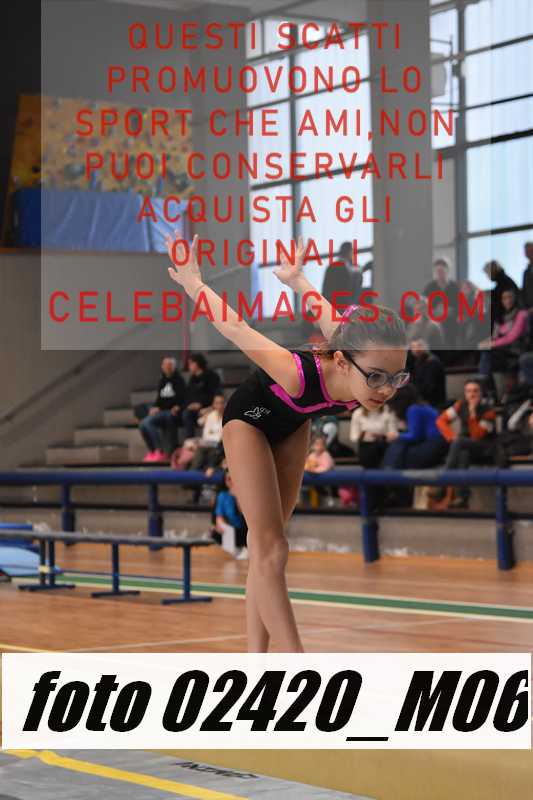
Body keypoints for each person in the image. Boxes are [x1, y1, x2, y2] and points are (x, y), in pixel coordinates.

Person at [166, 232, 409, 652]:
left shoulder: (353, 347)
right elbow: (236, 327)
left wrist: (296, 279)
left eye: (397, 378)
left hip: (294, 424)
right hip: (249, 420)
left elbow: (323, 309)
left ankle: (255, 661)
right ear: (341, 362)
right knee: (271, 547)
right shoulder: (297, 373)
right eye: (375, 377)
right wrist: (194, 285)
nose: (386, 389)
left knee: (267, 552)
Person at [432, 380, 496, 509]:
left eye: (475, 391)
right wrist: (451, 436)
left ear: (481, 393)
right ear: (465, 393)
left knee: (460, 443)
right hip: (465, 445)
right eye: (468, 391)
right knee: (463, 452)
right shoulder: (460, 405)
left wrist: (472, 415)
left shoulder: (489, 410)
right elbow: (440, 420)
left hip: (485, 446)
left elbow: (478, 436)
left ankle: (441, 483)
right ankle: (462, 497)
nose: (472, 394)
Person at [382, 385, 448, 470]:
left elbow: (414, 436)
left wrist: (396, 435)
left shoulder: (414, 409)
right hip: (440, 443)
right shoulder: (420, 405)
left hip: (435, 444)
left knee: (399, 447)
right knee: (400, 448)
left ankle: (389, 471)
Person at [138, 356, 186, 462]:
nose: (164, 366)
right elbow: (159, 399)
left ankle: (159, 451)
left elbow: (183, 398)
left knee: (149, 423)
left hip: (171, 411)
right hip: (162, 411)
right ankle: (152, 451)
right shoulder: (162, 380)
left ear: (172, 367)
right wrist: (155, 407)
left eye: (167, 364)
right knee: (142, 424)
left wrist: (178, 406)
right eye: (163, 364)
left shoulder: (179, 380)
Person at [478, 289, 530, 386]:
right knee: (484, 351)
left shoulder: (522, 314)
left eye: (509, 297)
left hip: (518, 348)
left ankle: (483, 381)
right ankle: (486, 384)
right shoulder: (502, 315)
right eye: (504, 298)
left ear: (515, 298)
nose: (507, 301)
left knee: (487, 353)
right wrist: (487, 342)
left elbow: (512, 337)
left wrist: (492, 344)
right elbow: (496, 335)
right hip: (505, 349)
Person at [182, 353, 222, 438]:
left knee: (191, 415)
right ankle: (190, 441)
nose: (189, 367)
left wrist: (201, 404)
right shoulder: (192, 379)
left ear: (196, 364)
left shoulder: (212, 376)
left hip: (210, 407)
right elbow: (188, 395)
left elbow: (215, 395)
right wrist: (190, 405)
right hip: (195, 410)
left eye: (190, 364)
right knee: (186, 413)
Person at [423, 258, 459, 349]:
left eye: (442, 271)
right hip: (434, 322)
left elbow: (461, 306)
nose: (439, 274)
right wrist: (434, 312)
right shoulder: (429, 287)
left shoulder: (455, 287)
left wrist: (451, 311)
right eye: (437, 271)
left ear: (448, 271)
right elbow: (424, 306)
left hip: (452, 322)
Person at [212, 470, 248, 560]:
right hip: (231, 528)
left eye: (233, 478)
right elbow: (219, 516)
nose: (231, 481)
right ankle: (234, 549)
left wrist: (237, 496)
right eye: (228, 479)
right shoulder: (222, 496)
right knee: (216, 531)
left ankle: (246, 548)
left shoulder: (245, 494)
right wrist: (222, 525)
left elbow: (245, 514)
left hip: (244, 528)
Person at [408, 338, 446, 408]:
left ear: (426, 346)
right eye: (413, 347)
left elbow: (428, 388)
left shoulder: (432, 362)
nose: (416, 349)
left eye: (419, 346)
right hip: (423, 399)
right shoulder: (418, 361)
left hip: (433, 402)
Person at [482, 260, 520, 325]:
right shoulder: (503, 281)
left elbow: (499, 300)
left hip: (507, 319)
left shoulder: (503, 282)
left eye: (487, 273)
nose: (487, 277)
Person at [521, 241, 533, 309]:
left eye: (531, 251)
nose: (529, 254)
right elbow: (524, 292)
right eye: (527, 252)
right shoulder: (526, 272)